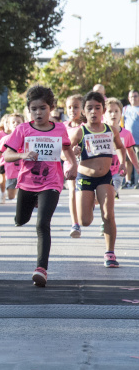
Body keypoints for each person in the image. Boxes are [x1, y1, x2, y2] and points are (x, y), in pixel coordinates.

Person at [3, 85, 77, 287]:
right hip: (27, 183)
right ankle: (31, 205)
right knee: (21, 219)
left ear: (51, 108)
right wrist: (22, 154)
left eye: (43, 108)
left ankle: (41, 269)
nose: (38, 113)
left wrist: (73, 165)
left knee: (42, 224)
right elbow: (6, 155)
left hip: (51, 182)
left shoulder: (60, 129)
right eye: (34, 109)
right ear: (29, 110)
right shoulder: (22, 129)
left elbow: (67, 150)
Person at [69, 91, 126, 266]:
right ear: (84, 112)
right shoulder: (80, 132)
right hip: (85, 177)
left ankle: (110, 253)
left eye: (97, 108)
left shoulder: (111, 130)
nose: (93, 111)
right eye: (89, 108)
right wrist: (74, 153)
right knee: (85, 221)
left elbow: (120, 148)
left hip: (105, 177)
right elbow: (66, 152)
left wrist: (123, 163)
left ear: (103, 110)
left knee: (108, 215)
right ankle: (92, 201)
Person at [104, 97, 139, 202]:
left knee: (110, 193)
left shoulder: (126, 134)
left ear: (121, 114)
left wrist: (137, 167)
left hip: (118, 171)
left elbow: (130, 151)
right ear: (104, 114)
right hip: (102, 170)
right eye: (109, 111)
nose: (113, 114)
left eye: (116, 111)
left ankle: (113, 193)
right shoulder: (100, 133)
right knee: (102, 198)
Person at [63, 95, 84, 237]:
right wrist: (70, 154)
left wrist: (80, 150)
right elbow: (59, 151)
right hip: (70, 164)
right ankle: (75, 224)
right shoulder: (62, 127)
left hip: (86, 165)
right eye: (69, 107)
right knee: (72, 191)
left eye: (76, 107)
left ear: (82, 108)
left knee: (86, 195)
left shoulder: (87, 126)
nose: (72, 110)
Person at [122, 89, 139, 187]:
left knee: (138, 161)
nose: (133, 98)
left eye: (135, 96)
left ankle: (137, 181)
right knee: (127, 161)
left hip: (138, 140)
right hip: (127, 140)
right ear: (128, 98)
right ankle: (128, 181)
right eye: (131, 96)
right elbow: (121, 123)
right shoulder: (125, 109)